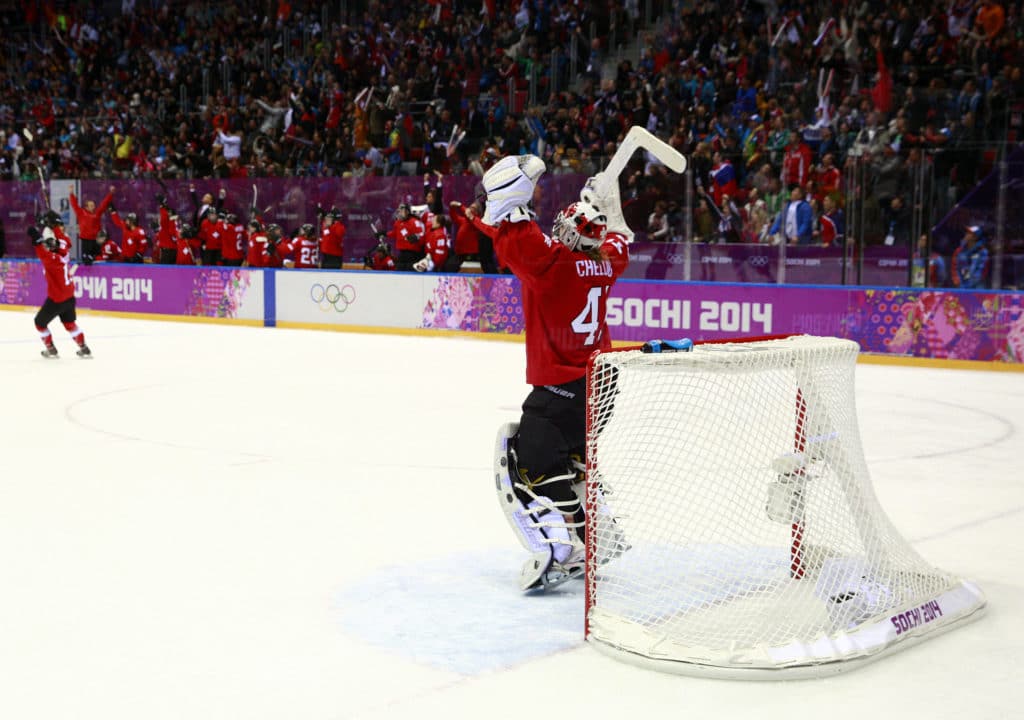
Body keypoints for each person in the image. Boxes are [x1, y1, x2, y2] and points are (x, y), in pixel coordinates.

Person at [485, 154, 630, 592]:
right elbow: (621, 239)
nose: (558, 232)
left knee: (527, 461)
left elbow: (513, 235)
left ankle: (570, 543)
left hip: (562, 387)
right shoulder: (606, 264)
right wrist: (613, 208)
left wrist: (512, 202)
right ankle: (598, 533)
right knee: (575, 461)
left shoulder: (553, 267)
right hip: (602, 384)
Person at [28, 211, 92, 359]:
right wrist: (54, 225)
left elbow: (41, 250)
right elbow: (62, 242)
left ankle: (51, 349)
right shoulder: (64, 253)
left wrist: (36, 237)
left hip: (57, 298)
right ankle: (84, 347)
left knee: (39, 322)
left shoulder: (51, 260)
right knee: (70, 324)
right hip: (69, 296)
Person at [69, 185, 114, 264]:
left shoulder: (97, 213)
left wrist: (110, 194)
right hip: (86, 241)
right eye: (91, 205)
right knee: (86, 260)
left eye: (94, 205)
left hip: (96, 241)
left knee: (97, 259)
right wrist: (71, 193)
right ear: (86, 207)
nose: (93, 206)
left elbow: (104, 204)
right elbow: (74, 204)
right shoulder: (81, 213)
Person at [389, 202, 426, 271]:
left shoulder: (414, 221)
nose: (400, 213)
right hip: (402, 252)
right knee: (399, 270)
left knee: (411, 271)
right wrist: (385, 234)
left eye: (402, 211)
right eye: (399, 211)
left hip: (412, 254)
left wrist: (416, 237)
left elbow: (422, 234)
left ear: (407, 212)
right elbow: (394, 233)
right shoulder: (398, 222)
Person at [952, 225, 990, 289]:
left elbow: (982, 270)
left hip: (977, 286)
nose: (966, 235)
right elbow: (955, 266)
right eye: (967, 232)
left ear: (975, 237)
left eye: (969, 233)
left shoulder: (982, 252)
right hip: (961, 285)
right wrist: (957, 280)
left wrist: (970, 284)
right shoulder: (959, 251)